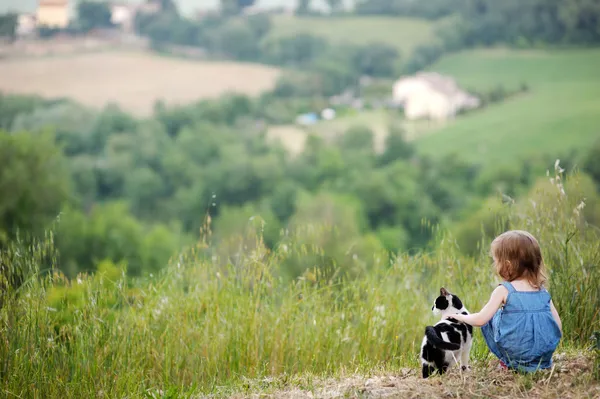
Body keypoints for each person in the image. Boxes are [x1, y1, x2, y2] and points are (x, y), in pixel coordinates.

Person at [447, 230, 562, 372]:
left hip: (517, 354)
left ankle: (510, 361)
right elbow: (558, 326)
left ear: (507, 265)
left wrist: (460, 317)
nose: (495, 266)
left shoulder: (504, 290)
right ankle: (535, 362)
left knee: (492, 316)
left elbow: (480, 320)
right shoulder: (543, 291)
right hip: (543, 357)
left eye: (496, 262)